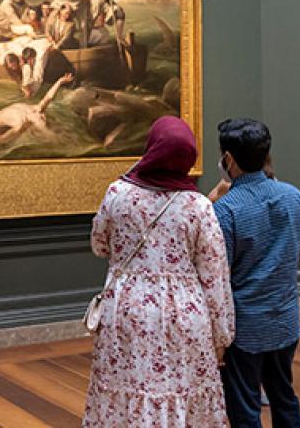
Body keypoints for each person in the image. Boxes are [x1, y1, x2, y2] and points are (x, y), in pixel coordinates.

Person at [85, 116, 234, 427]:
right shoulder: (198, 206)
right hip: (185, 312)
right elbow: (214, 274)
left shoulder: (117, 193)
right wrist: (221, 334)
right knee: (181, 390)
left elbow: (99, 245)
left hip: (126, 307)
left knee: (126, 389)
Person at [213, 118, 300, 428]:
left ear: (228, 159)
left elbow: (218, 270)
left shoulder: (226, 210)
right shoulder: (293, 196)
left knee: (245, 407)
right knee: (284, 397)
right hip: (285, 320)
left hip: (245, 327)